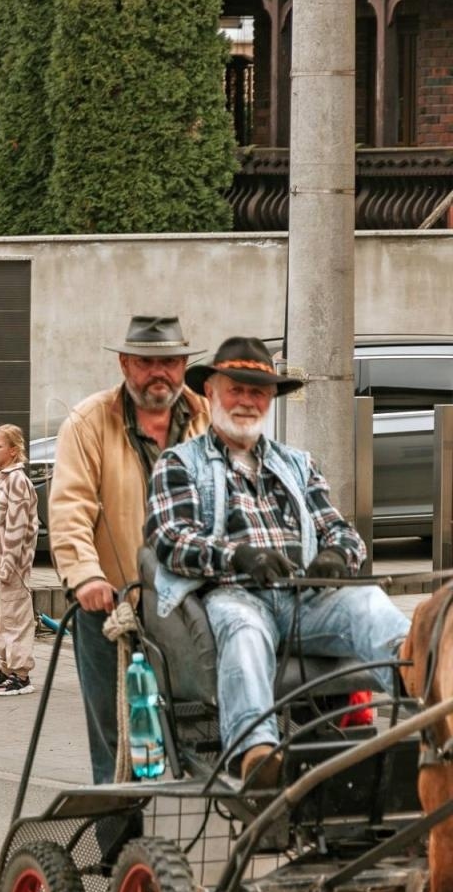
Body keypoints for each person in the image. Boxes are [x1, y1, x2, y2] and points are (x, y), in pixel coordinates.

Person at [146, 337, 409, 788]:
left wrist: (335, 557)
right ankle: (257, 752)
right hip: (235, 595)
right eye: (237, 389)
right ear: (210, 391)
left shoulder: (297, 462)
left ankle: (429, 694)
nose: (248, 400)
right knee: (243, 629)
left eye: (259, 391)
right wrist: (240, 557)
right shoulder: (179, 463)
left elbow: (342, 532)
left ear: (270, 399)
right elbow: (170, 540)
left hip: (307, 599)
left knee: (368, 602)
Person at [48, 315, 209, 785]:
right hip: (115, 608)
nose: (159, 373)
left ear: (184, 365)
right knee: (120, 738)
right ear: (124, 364)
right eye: (146, 362)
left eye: (170, 362)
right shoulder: (89, 421)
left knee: (195, 734)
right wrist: (86, 577)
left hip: (190, 609)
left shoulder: (205, 419)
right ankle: (121, 849)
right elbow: (70, 506)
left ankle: (182, 839)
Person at [0, 424, 39, 697]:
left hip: (9, 567)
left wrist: (9, 565)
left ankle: (21, 675)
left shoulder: (18, 481)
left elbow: (18, 528)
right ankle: (6, 668)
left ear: (13, 450)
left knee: (15, 619)